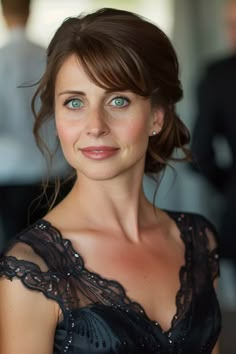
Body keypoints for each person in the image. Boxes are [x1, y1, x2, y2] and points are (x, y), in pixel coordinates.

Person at [0, 8, 221, 354]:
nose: (95, 125)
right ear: (56, 116)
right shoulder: (32, 268)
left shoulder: (198, 241)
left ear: (156, 117)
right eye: (74, 102)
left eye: (118, 100)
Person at [0, 0, 69, 248]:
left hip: (11, 173)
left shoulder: (1, 59)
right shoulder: (50, 57)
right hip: (53, 170)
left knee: (16, 253)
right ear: (30, 10)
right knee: (59, 252)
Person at [191, 0, 236, 263]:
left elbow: (199, 154)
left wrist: (229, 185)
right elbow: (200, 155)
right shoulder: (218, 75)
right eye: (231, 26)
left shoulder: (218, 75)